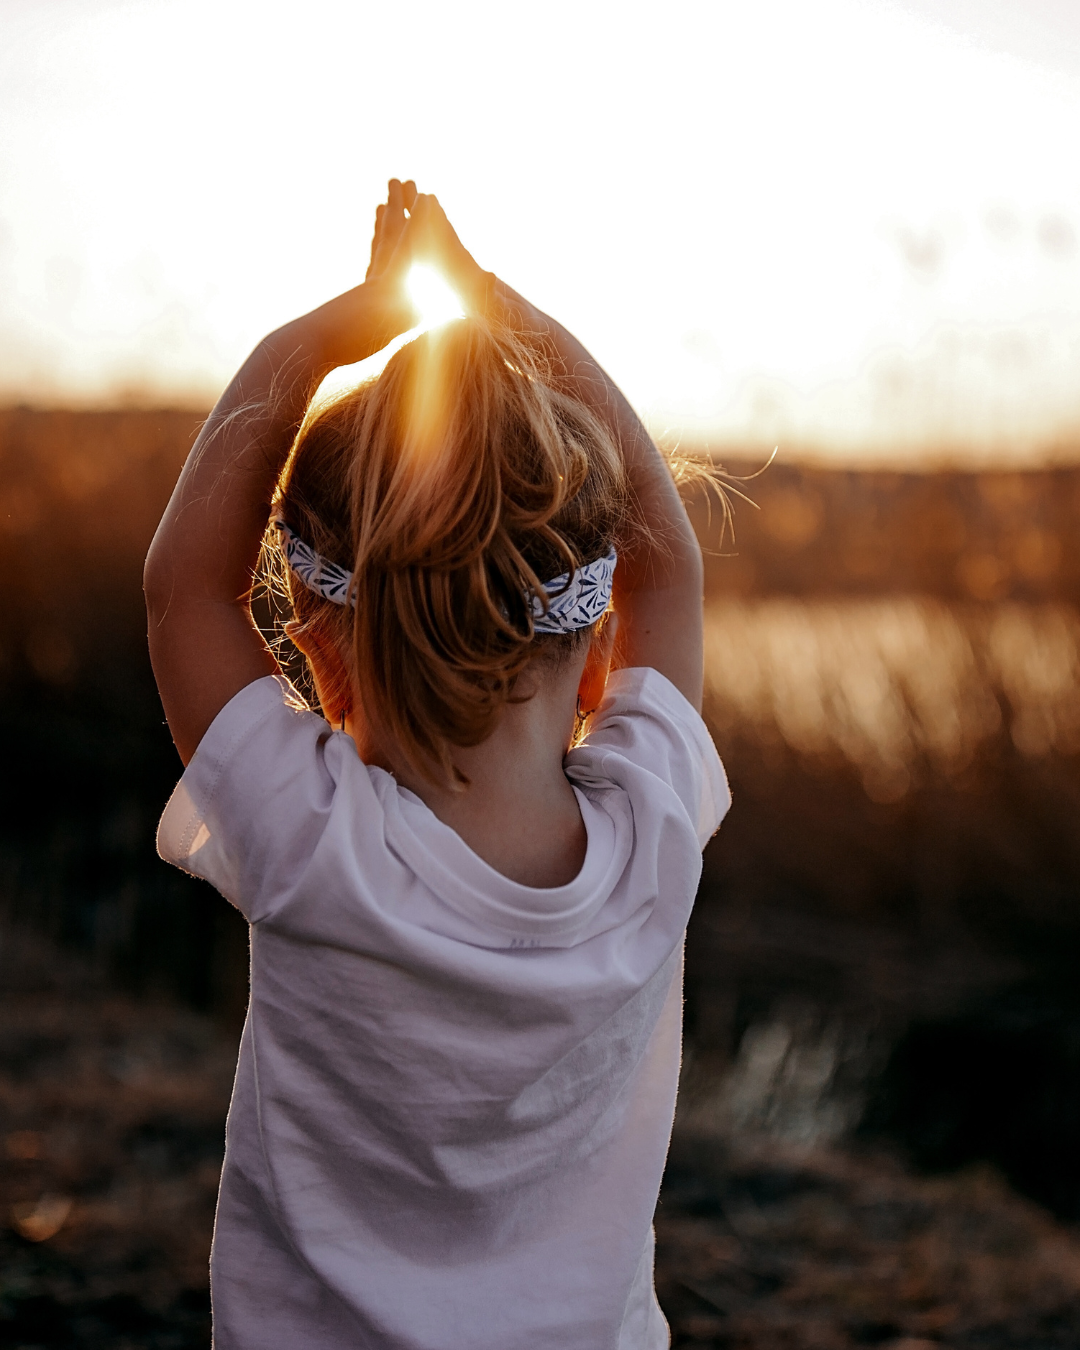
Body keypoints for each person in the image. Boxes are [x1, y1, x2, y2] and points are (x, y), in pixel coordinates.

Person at [145, 180, 729, 1350]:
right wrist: (505, 313)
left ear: (312, 627)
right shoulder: (654, 834)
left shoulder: (311, 838)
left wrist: (316, 341)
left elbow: (183, 587)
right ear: (594, 635)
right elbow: (669, 569)